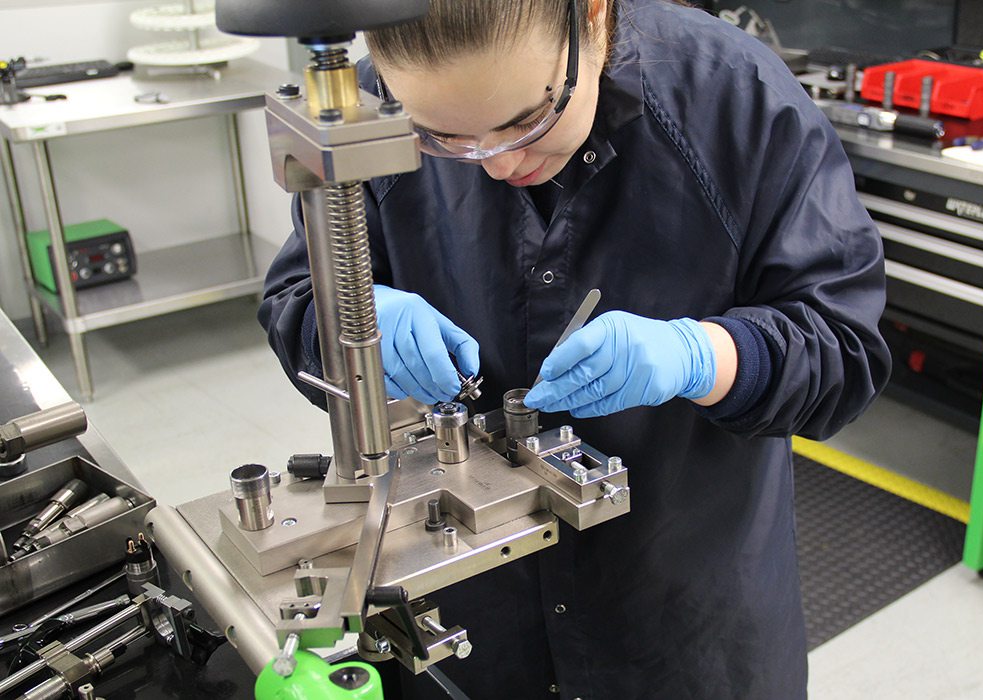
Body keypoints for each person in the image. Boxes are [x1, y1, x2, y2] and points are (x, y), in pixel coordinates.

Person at [259, 0, 891, 697]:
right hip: (467, 602)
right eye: (443, 138)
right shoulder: (374, 103)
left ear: (590, 15)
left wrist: (705, 356)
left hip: (674, 611)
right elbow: (296, 299)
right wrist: (356, 327)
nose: (498, 165)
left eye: (525, 121)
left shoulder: (735, 102)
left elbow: (843, 346)